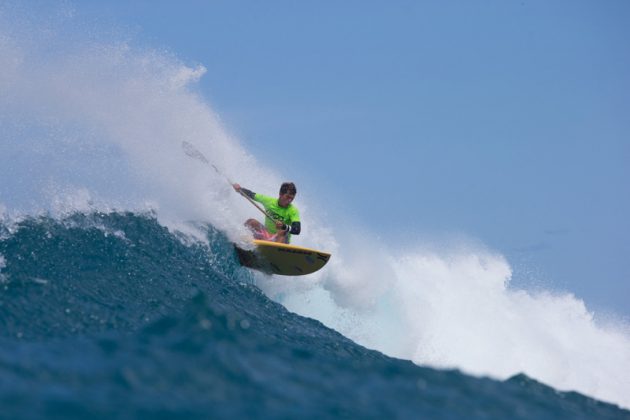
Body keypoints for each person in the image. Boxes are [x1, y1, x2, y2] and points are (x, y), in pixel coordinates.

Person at [232, 182, 301, 243]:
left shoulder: (293, 211)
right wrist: (240, 189)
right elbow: (251, 194)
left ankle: (275, 251)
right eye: (287, 197)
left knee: (282, 231)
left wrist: (284, 226)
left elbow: (297, 230)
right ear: (280, 194)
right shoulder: (269, 201)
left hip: (281, 241)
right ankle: (239, 240)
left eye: (292, 198)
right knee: (251, 222)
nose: (289, 200)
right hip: (267, 236)